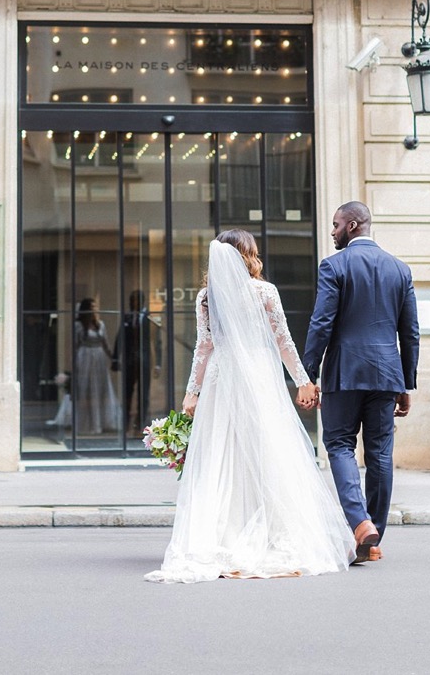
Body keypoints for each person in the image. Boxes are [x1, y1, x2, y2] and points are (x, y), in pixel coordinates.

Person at [146, 230, 354, 583]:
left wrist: (192, 392)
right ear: (249, 254)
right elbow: (284, 342)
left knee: (221, 454)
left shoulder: (206, 297)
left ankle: (219, 536)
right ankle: (271, 533)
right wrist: (303, 380)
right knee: (266, 452)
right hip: (257, 377)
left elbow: (204, 347)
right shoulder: (264, 292)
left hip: (220, 379)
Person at [299, 201, 420, 565]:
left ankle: (360, 523)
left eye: (336, 225)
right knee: (380, 453)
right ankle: (372, 537)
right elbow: (410, 332)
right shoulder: (400, 270)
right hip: (386, 375)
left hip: (344, 373)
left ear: (352, 225)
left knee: (338, 445)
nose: (332, 231)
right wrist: (406, 382)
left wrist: (309, 373)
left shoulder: (334, 265)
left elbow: (322, 323)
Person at [113, 290, 160, 434]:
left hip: (144, 360)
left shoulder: (149, 318)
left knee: (143, 394)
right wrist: (116, 358)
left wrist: (158, 364)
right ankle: (126, 424)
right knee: (127, 393)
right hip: (129, 361)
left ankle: (140, 425)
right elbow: (120, 337)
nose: (134, 304)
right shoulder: (127, 317)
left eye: (136, 301)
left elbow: (157, 342)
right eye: (132, 301)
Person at [73, 298, 121, 435]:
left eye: (95, 307)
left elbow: (106, 343)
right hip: (84, 358)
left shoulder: (100, 324)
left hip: (99, 359)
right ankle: (86, 425)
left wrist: (114, 358)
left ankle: (101, 423)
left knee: (100, 390)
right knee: (86, 390)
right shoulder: (79, 325)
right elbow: (75, 345)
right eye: (91, 307)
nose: (94, 309)